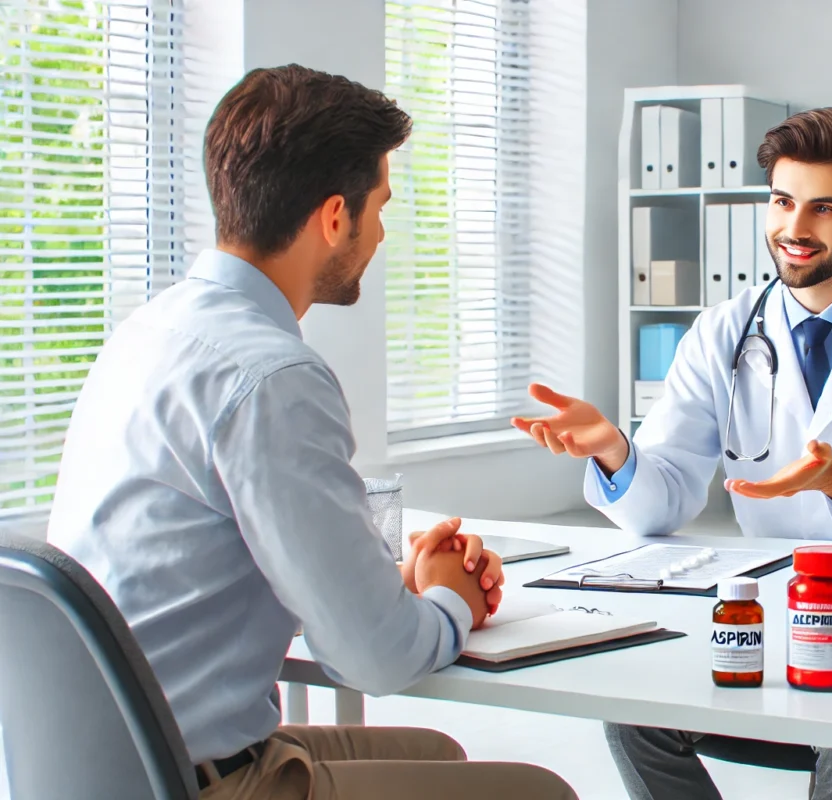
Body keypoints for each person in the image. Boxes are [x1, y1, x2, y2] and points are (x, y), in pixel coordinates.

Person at [46, 64, 576, 800]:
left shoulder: (148, 331)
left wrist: (401, 585)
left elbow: (225, 562)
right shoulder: (271, 378)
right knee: (536, 793)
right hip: (189, 781)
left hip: (105, 759)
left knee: (439, 753)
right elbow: (375, 660)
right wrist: (453, 599)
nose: (383, 231)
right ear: (334, 218)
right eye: (380, 207)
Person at [515, 108, 832, 800]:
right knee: (630, 716)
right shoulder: (725, 329)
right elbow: (667, 497)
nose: (794, 230)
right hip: (759, 611)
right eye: (781, 202)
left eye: (823, 209)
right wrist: (620, 453)